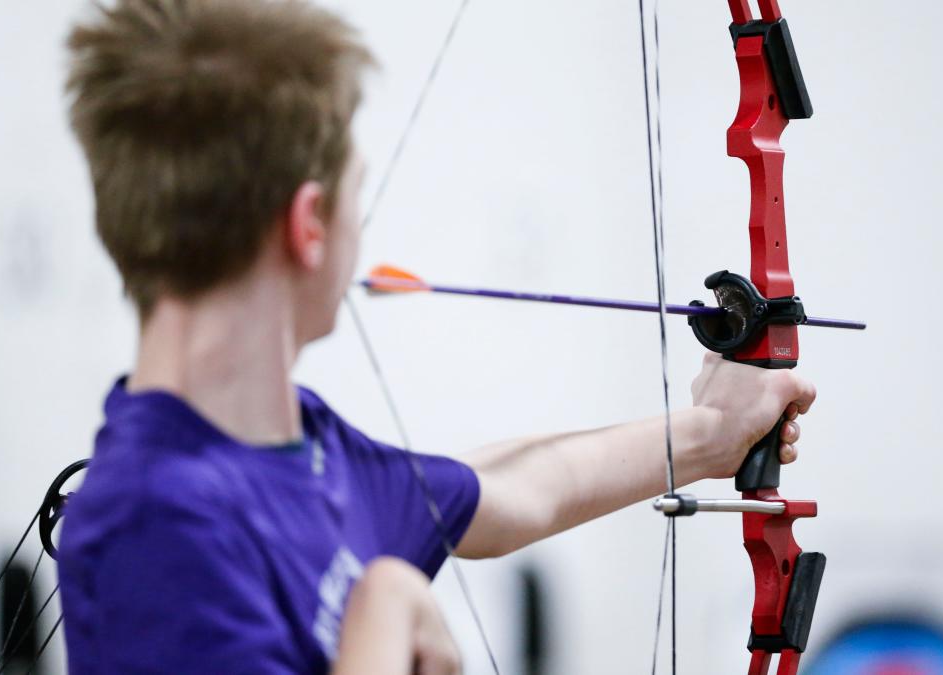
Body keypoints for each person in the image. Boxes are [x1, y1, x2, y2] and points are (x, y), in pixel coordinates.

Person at [56, 1, 817, 673]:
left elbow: (513, 487)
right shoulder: (149, 524)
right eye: (359, 197)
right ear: (310, 225)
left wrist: (712, 431)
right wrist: (387, 603)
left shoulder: (298, 441)